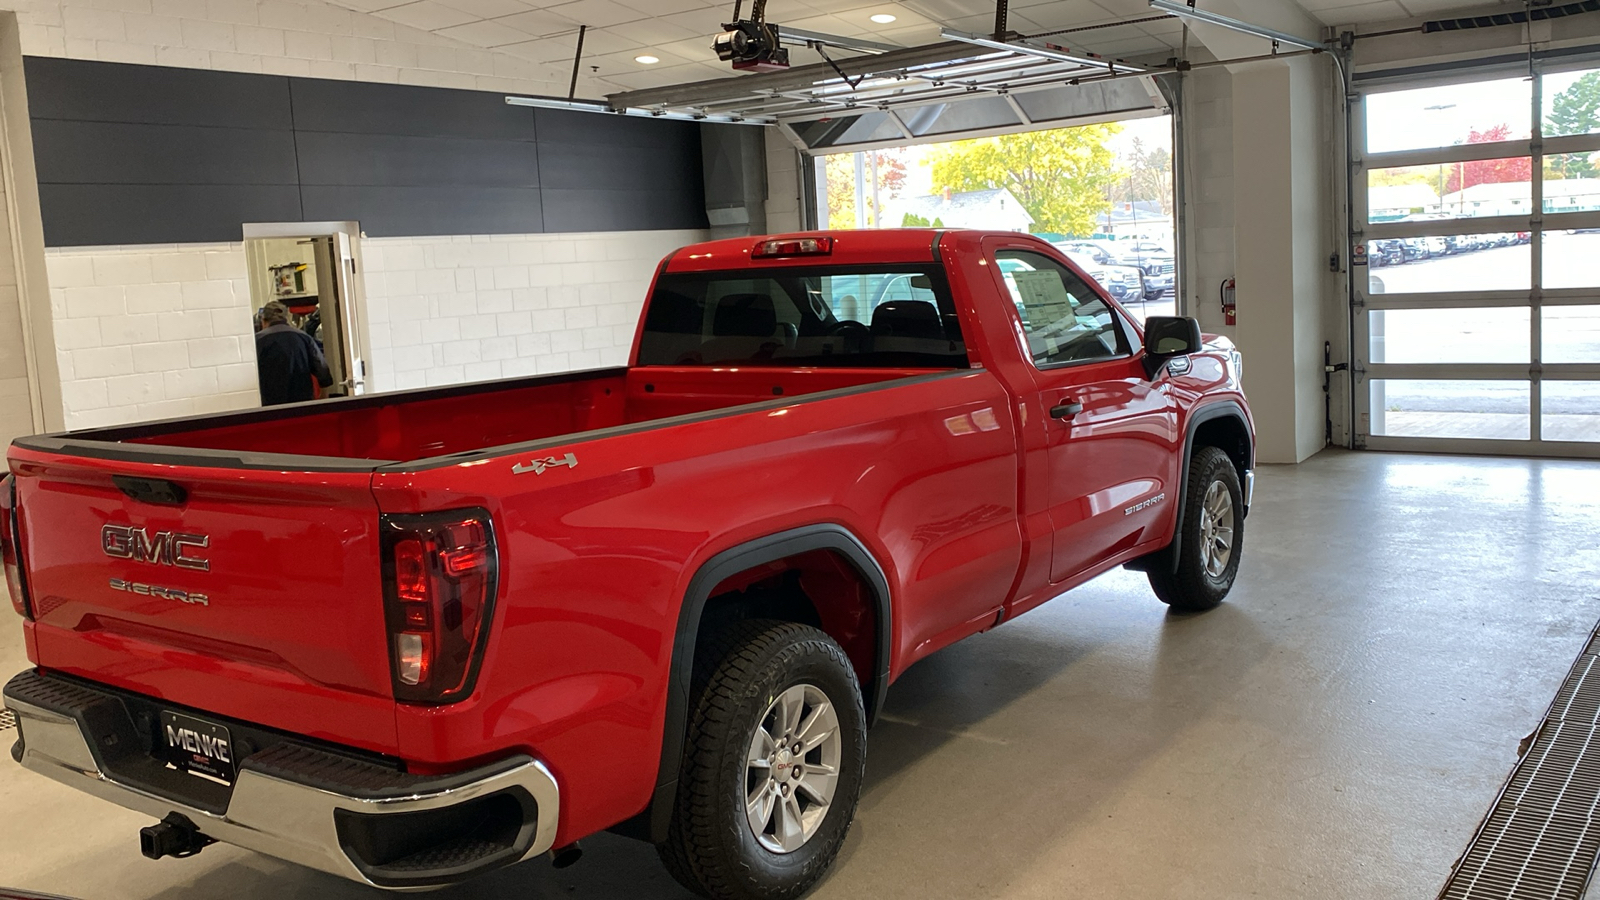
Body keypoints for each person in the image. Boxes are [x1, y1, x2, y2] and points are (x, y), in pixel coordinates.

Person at [255, 301, 332, 405]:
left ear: (263, 321)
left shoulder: (257, 341)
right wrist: (324, 397)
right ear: (286, 318)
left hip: (270, 405)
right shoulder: (305, 338)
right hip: (302, 402)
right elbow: (322, 370)